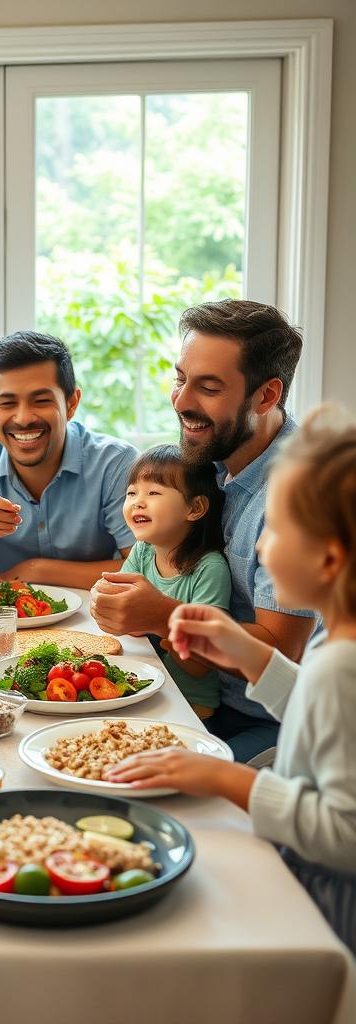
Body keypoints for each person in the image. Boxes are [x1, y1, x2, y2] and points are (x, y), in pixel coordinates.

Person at [106, 407, 356, 953]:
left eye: (278, 531)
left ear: (330, 559)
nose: (260, 548)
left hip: (326, 912)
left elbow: (345, 835)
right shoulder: (336, 645)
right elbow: (320, 713)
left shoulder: (342, 665)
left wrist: (226, 779)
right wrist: (252, 657)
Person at [91, 300, 316, 761]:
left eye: (208, 388)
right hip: (193, 691)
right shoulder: (210, 458)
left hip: (271, 724)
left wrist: (163, 616)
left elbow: (281, 655)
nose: (181, 401)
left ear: (267, 396)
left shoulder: (301, 496)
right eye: (180, 379)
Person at [0, 331, 137, 593]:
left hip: (97, 618)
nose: (23, 418)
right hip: (10, 621)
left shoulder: (116, 462)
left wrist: (37, 570)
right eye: (7, 403)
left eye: (41, 401)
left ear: (71, 403)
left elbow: (146, 569)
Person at [119, 445, 232, 719]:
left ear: (194, 508)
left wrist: (158, 622)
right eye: (132, 492)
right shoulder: (143, 551)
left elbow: (201, 664)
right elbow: (122, 613)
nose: (138, 501)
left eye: (153, 493)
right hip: (151, 689)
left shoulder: (209, 568)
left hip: (190, 706)